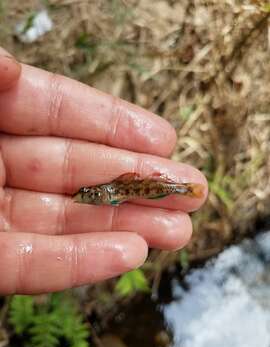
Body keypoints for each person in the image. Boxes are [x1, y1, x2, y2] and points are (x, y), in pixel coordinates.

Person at [0, 47, 207, 295]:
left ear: (96, 195)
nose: (85, 196)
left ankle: (184, 190)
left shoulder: (106, 193)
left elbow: (117, 194)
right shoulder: (103, 194)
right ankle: (185, 190)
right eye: (88, 195)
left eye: (88, 194)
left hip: (147, 188)